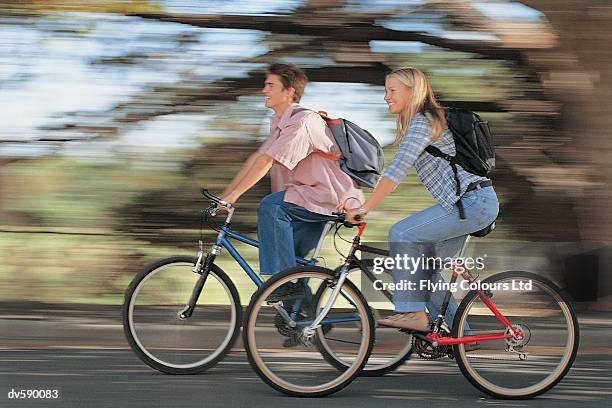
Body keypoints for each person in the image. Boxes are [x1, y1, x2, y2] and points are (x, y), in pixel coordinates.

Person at [344, 67, 499, 332]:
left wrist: (365, 207)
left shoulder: (423, 121)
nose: (386, 97)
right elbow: (389, 173)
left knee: (401, 233)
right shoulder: (422, 123)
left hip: (472, 203)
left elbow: (396, 171)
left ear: (412, 91)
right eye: (385, 90)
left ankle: (411, 312)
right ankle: (462, 335)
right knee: (424, 269)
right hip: (469, 204)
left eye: (392, 90)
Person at [221, 63, 363, 299]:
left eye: (270, 85)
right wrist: (226, 195)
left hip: (330, 197)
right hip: (308, 199)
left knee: (272, 209)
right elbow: (257, 158)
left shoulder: (303, 121)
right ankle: (308, 324)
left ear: (289, 92)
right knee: (289, 259)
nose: (264, 90)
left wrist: (233, 197)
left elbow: (267, 161)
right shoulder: (280, 123)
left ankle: (288, 284)